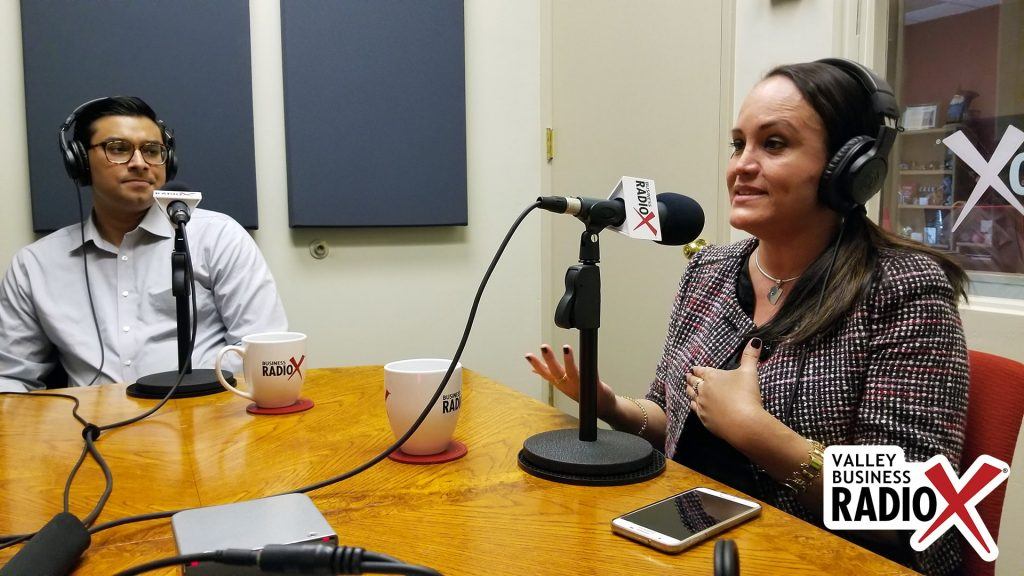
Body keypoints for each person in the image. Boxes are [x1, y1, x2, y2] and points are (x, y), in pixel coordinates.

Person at [526, 59, 968, 575]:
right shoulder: (708, 270)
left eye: (774, 144)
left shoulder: (904, 289)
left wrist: (754, 430)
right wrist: (611, 407)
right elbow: (669, 420)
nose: (742, 165)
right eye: (739, 144)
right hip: (701, 545)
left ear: (849, 169)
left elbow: (914, 501)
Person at [0, 96, 287, 392]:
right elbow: (10, 379)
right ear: (81, 162)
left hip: (208, 422)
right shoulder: (34, 266)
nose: (140, 163)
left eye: (152, 151)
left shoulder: (218, 237)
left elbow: (264, 351)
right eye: (119, 149)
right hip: (91, 431)